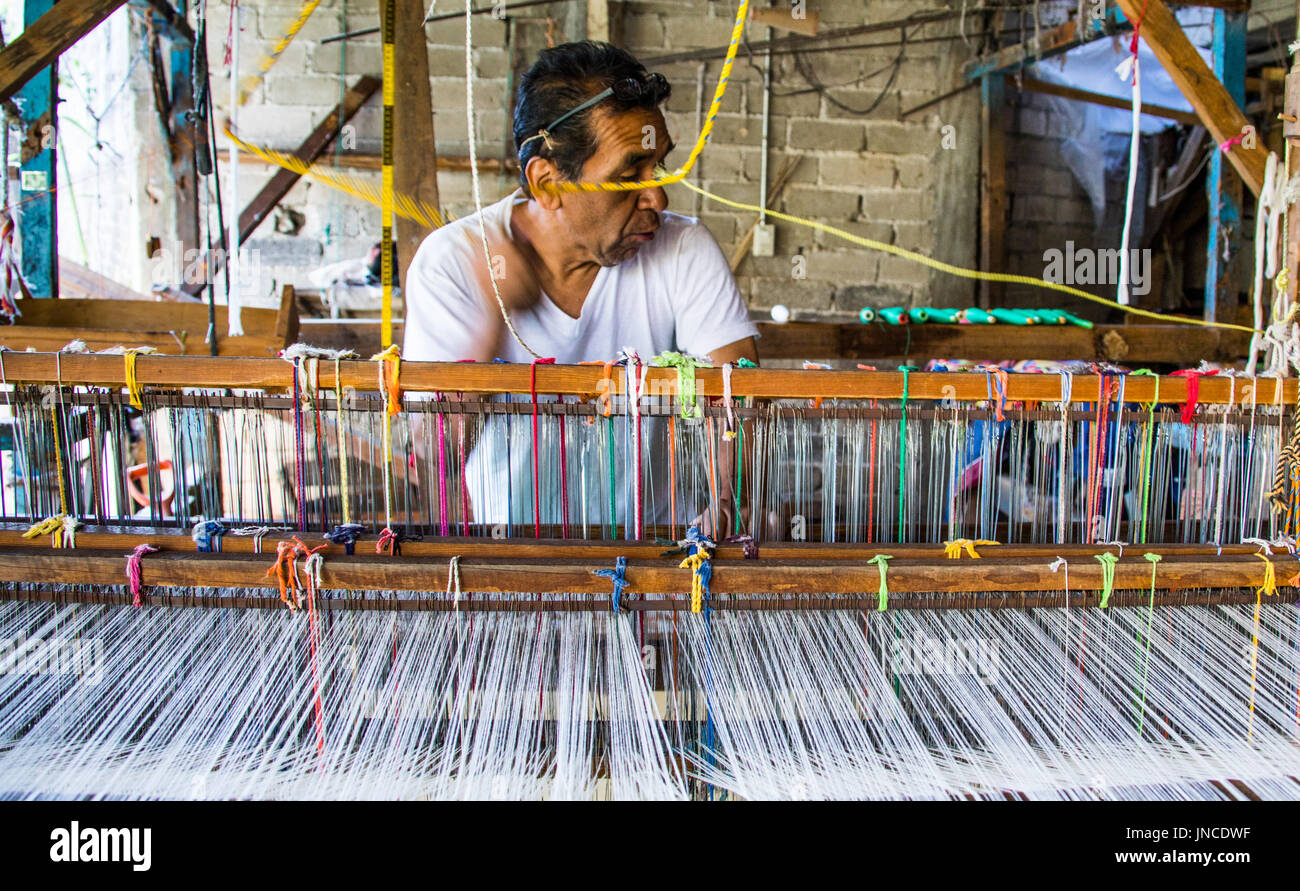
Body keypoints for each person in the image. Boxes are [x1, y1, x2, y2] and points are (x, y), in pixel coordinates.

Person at [402, 41, 758, 530]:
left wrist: (725, 502)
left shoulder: (683, 249)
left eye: (658, 167)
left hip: (653, 555)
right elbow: (431, 458)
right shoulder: (455, 261)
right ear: (548, 183)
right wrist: (489, 322)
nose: (656, 195)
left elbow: (738, 401)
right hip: (515, 561)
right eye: (629, 174)